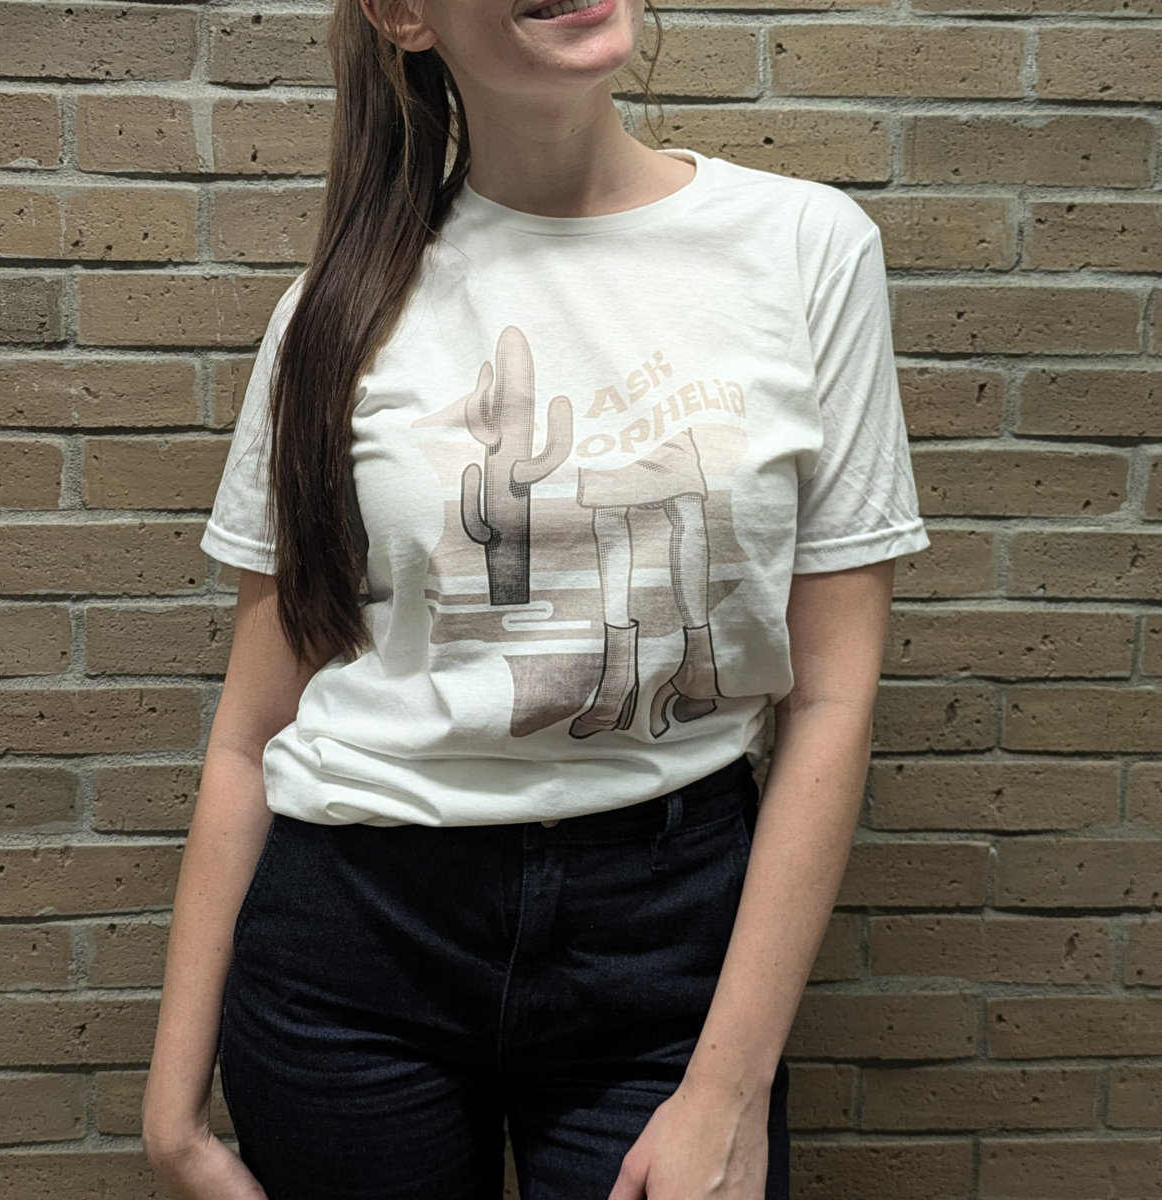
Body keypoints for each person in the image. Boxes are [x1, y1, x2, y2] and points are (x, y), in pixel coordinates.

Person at [141, 0, 930, 1196]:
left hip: (670, 935)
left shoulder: (805, 249)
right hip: (355, 943)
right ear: (404, 14)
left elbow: (829, 697)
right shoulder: (334, 310)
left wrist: (727, 1091)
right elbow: (253, 732)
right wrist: (171, 1116)